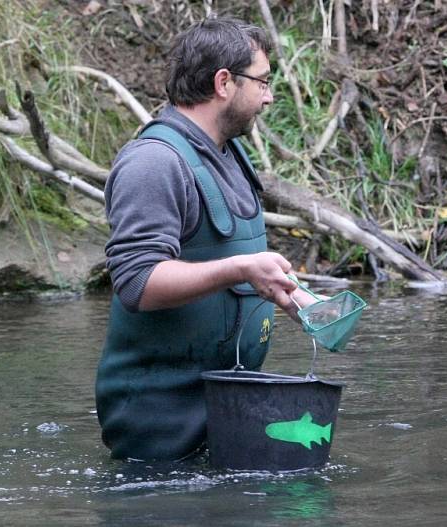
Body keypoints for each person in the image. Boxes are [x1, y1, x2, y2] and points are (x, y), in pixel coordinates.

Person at [96, 15, 316, 461]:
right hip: (159, 429)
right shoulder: (153, 163)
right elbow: (138, 282)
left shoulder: (231, 154)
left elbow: (234, 268)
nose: (269, 97)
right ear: (223, 82)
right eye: (263, 82)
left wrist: (298, 300)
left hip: (225, 408)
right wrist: (241, 268)